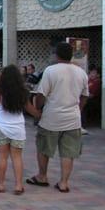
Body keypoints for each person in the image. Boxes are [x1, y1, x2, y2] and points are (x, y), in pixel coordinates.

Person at [26, 42, 89, 193]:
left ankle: (42, 176)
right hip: (73, 119)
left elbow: (41, 94)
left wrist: (38, 108)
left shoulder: (50, 71)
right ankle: (64, 182)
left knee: (43, 147)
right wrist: (78, 110)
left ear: (56, 55)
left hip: (51, 118)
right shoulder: (81, 72)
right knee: (68, 152)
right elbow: (85, 96)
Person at [0, 65, 41, 195]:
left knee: (2, 157)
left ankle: (0, 185)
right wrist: (40, 114)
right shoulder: (22, 94)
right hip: (18, 128)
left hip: (1, 128)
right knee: (17, 157)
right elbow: (31, 110)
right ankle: (18, 185)